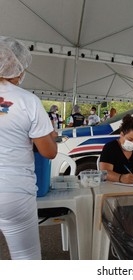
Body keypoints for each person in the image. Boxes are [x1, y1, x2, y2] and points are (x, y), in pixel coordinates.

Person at [0, 36, 57, 259]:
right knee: (26, 260)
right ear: (18, 68)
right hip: (13, 191)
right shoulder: (27, 100)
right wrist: (47, 135)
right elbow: (49, 152)